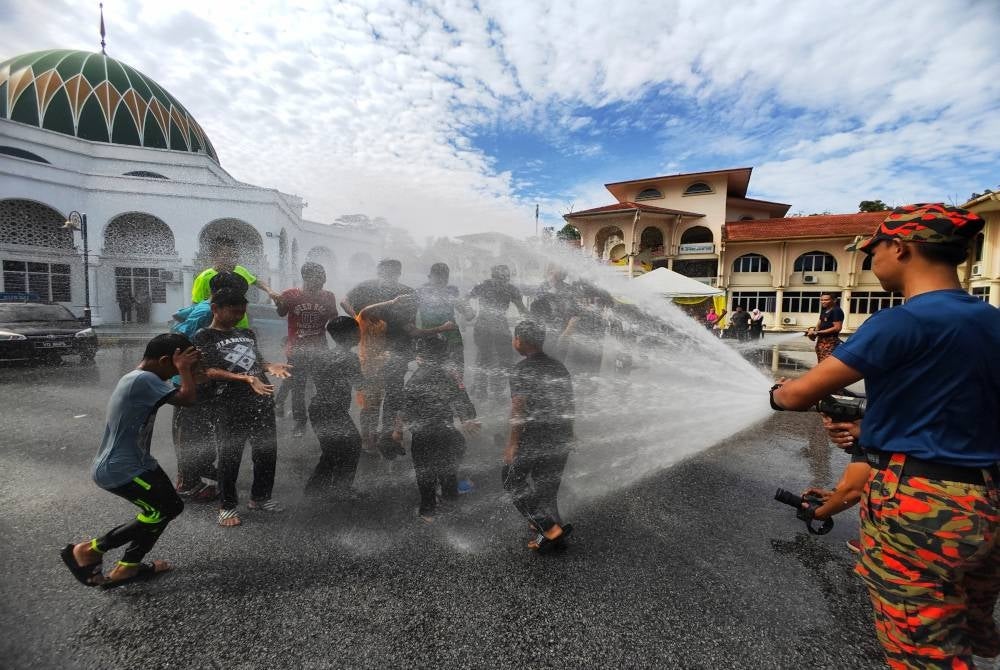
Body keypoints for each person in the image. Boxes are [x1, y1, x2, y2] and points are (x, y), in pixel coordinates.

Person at [770, 203, 999, 669]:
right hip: (988, 498)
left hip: (923, 505)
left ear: (901, 247)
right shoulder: (991, 320)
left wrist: (778, 393)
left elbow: (797, 396)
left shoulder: (902, 320)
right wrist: (869, 427)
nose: (870, 261)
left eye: (873, 250)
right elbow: (954, 403)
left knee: (922, 650)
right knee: (961, 627)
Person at [59, 334, 200, 589]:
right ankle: (89, 550)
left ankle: (128, 567)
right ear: (166, 360)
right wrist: (185, 370)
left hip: (139, 463)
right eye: (174, 367)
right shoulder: (143, 379)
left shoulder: (142, 378)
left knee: (167, 509)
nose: (174, 374)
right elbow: (188, 399)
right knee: (163, 510)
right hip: (120, 469)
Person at [192, 288, 292, 527]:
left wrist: (270, 367)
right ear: (216, 309)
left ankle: (260, 497)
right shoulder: (204, 336)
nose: (239, 316)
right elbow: (206, 370)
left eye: (242, 312)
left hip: (261, 399)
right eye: (234, 312)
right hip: (228, 403)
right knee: (230, 455)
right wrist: (245, 379)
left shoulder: (246, 332)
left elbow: (256, 361)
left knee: (266, 451)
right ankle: (227, 506)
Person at [170, 271, 250, 501]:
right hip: (188, 383)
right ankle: (186, 484)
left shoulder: (205, 305)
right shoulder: (206, 312)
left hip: (202, 382)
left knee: (202, 429)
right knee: (190, 433)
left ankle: (202, 469)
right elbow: (180, 334)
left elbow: (178, 314)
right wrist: (190, 362)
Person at [503, 320, 575, 552]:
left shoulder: (521, 370)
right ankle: (556, 534)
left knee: (510, 479)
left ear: (520, 341)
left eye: (514, 338)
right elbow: (568, 404)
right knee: (547, 487)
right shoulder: (558, 367)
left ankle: (548, 528)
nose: (513, 341)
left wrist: (513, 444)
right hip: (560, 435)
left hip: (536, 437)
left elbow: (518, 409)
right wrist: (570, 433)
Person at [393, 334, 479, 522]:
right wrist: (466, 419)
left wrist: (398, 431)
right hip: (445, 429)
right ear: (445, 352)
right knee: (448, 466)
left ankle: (428, 511)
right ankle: (450, 502)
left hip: (422, 433)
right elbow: (459, 397)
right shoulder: (450, 373)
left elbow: (404, 408)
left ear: (421, 353)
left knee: (424, 471)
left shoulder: (414, 376)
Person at [341, 259, 415, 456]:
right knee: (380, 397)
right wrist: (359, 320)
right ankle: (374, 437)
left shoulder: (404, 291)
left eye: (391, 273)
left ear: (398, 273)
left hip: (392, 352)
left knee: (388, 396)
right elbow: (344, 301)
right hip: (378, 353)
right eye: (385, 272)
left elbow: (412, 323)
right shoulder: (370, 286)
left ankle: (380, 437)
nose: (387, 276)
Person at [274, 262, 339, 437]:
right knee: (298, 387)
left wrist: (340, 343)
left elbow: (334, 321)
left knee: (323, 385)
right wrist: (278, 302)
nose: (321, 282)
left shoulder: (328, 296)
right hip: (297, 349)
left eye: (323, 278)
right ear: (306, 278)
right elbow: (281, 313)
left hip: (320, 349)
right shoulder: (290, 295)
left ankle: (325, 419)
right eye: (317, 278)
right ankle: (299, 421)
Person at [305, 316, 364, 497]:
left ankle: (315, 489)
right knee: (352, 444)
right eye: (357, 330)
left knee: (332, 450)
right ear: (350, 334)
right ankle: (341, 488)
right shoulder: (349, 358)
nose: (360, 334)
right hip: (333, 410)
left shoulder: (323, 356)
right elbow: (361, 385)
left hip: (318, 408)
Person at [190, 237, 279, 328]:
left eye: (234, 255)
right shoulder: (204, 277)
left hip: (241, 325)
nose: (232, 259)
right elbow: (196, 305)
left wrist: (270, 291)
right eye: (227, 255)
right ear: (215, 257)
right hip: (218, 328)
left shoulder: (240, 270)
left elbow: (256, 281)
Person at [468, 264, 527, 398]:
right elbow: (465, 299)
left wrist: (534, 319)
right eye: (501, 278)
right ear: (493, 277)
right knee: (484, 357)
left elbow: (522, 308)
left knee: (505, 359)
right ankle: (480, 387)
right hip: (483, 326)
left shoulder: (511, 289)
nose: (504, 281)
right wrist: (468, 312)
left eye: (507, 278)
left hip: (501, 326)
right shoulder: (483, 286)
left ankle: (498, 390)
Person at [417, 262, 472, 378]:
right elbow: (411, 317)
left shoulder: (451, 292)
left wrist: (468, 310)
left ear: (447, 279)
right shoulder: (420, 292)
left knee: (456, 374)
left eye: (444, 279)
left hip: (452, 338)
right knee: (429, 375)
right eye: (438, 279)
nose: (441, 283)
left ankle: (456, 391)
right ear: (429, 277)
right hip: (430, 339)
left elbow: (467, 313)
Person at [805, 293, 844, 362]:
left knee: (827, 362)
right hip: (821, 341)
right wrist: (813, 333)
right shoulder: (824, 310)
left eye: (826, 300)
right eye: (822, 300)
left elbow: (837, 328)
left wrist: (817, 332)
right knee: (820, 361)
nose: (823, 302)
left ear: (834, 300)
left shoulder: (836, 311)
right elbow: (819, 323)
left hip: (830, 342)